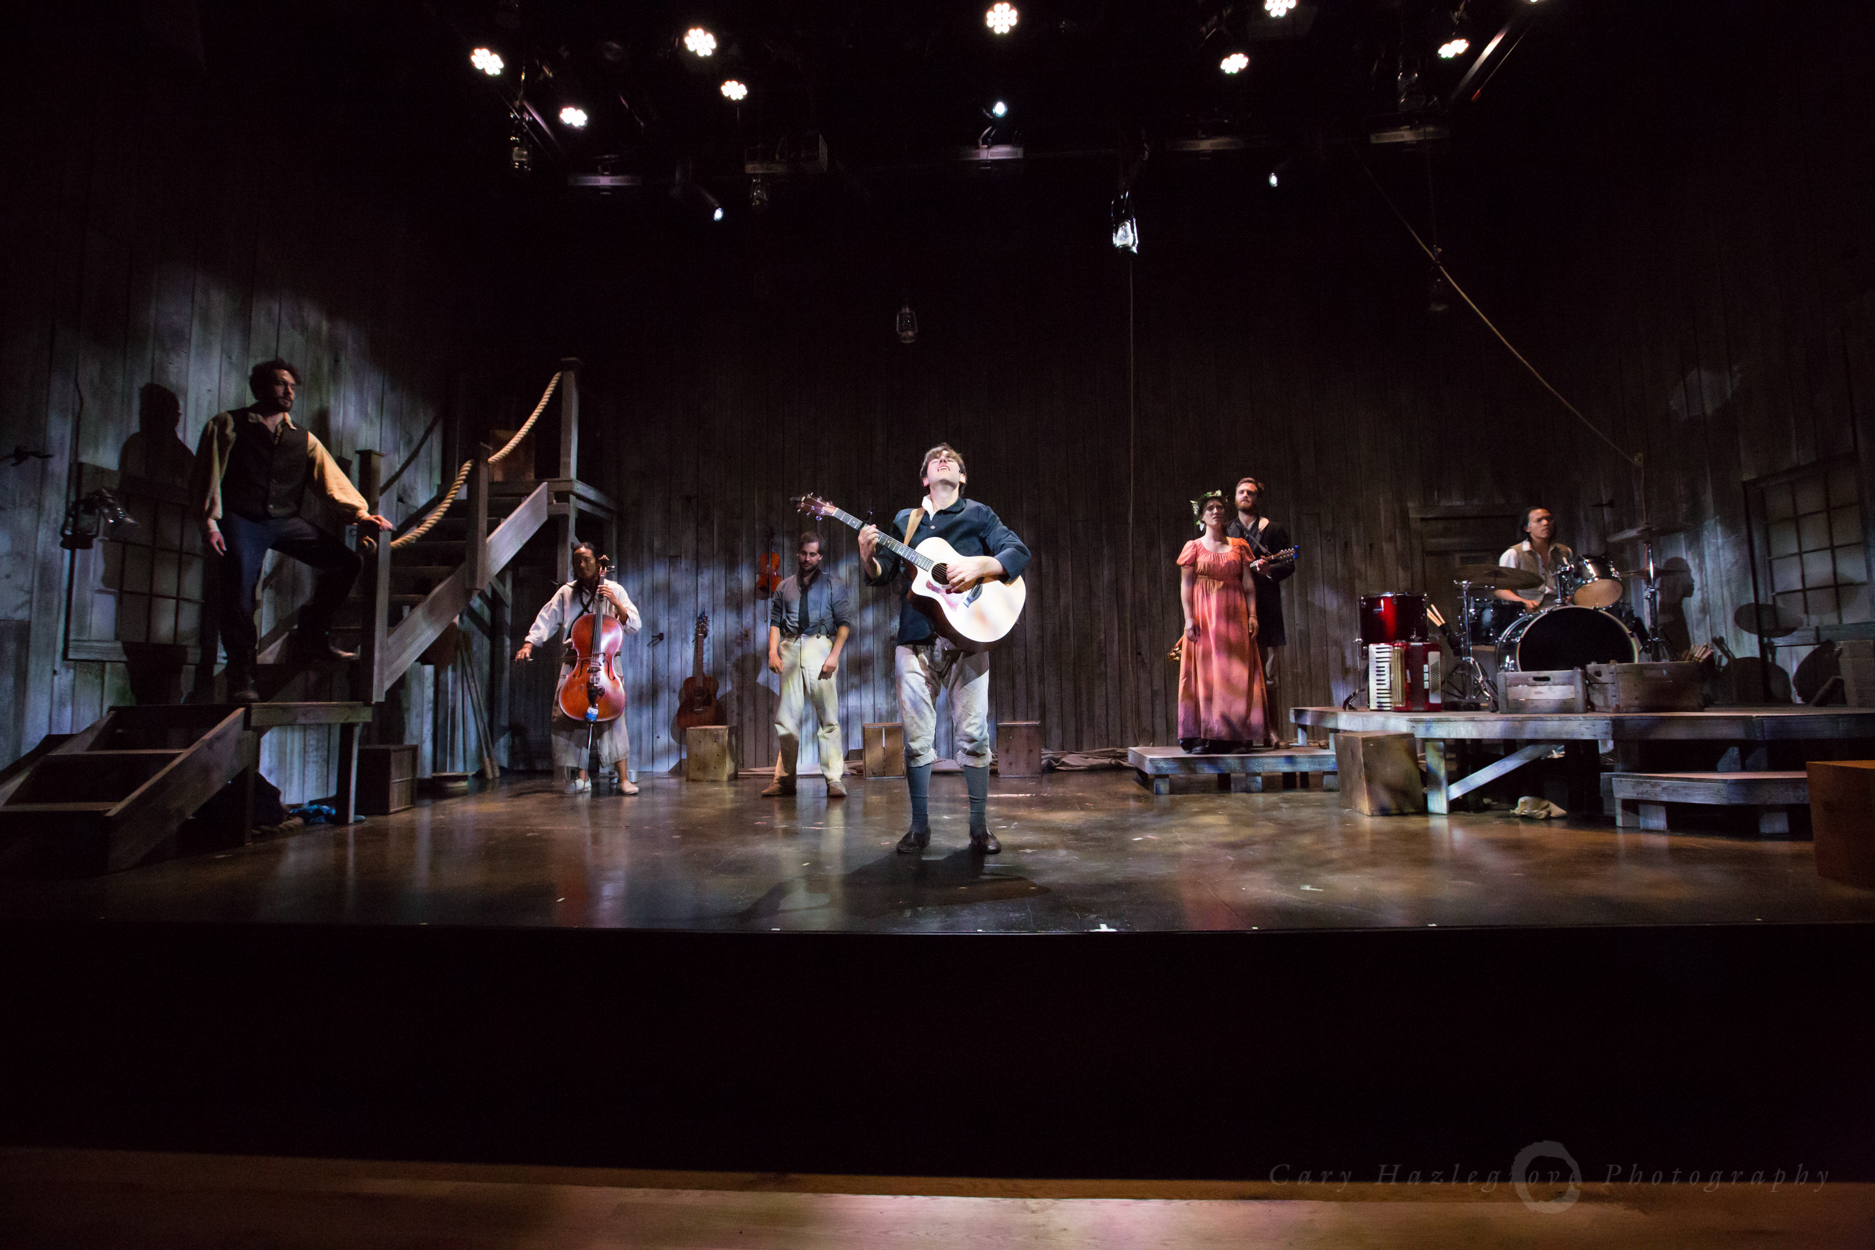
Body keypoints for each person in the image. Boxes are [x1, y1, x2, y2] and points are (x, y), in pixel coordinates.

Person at [858, 443, 1030, 855]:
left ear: (962, 476)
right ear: (925, 478)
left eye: (951, 458)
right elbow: (885, 576)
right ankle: (919, 828)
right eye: (935, 459)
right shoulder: (906, 521)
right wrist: (868, 558)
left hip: (969, 638)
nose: (942, 460)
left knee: (972, 735)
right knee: (917, 739)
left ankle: (978, 828)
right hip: (915, 636)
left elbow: (1017, 552)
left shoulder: (979, 514)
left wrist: (979, 566)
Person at [191, 359, 393, 704]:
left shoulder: (304, 439)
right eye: (280, 384)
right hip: (242, 518)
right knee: (240, 591)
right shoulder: (228, 424)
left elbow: (332, 482)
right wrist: (209, 522)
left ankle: (312, 634)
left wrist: (360, 514)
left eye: (292, 387)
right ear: (259, 388)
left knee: (345, 563)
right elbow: (208, 476)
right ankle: (242, 675)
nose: (288, 392)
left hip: (283, 519)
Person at [515, 541, 643, 795]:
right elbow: (546, 618)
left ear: (598, 562)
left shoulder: (614, 588)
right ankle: (580, 776)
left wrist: (616, 604)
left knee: (613, 717)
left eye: (585, 560)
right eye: (576, 561)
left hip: (607, 662)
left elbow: (634, 625)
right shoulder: (566, 592)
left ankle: (623, 778)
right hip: (575, 662)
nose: (581, 565)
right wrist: (529, 643)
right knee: (568, 715)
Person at [761, 531, 852, 798]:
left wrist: (834, 655)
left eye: (813, 554)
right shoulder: (783, 587)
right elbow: (775, 623)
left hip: (820, 646)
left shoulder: (833, 585)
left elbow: (844, 624)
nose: (808, 558)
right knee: (786, 719)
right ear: (798, 554)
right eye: (804, 553)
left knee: (828, 717)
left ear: (820, 556)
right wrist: (772, 652)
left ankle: (834, 779)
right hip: (790, 647)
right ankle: (784, 780)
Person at [1179, 492, 1267, 754]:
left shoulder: (1239, 546)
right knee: (1206, 674)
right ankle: (1203, 734)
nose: (1216, 511)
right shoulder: (1193, 547)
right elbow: (1185, 586)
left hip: (1234, 615)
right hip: (1205, 617)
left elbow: (1249, 585)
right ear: (1202, 516)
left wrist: (1252, 615)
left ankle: (1234, 735)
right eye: (1210, 508)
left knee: (1234, 674)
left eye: (1219, 507)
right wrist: (1188, 618)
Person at [1225, 476, 1292, 744]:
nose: (1245, 495)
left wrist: (1269, 569)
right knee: (1236, 673)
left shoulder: (1273, 529)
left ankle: (1271, 731)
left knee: (1269, 674)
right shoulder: (1227, 530)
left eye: (1250, 492)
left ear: (1257, 498)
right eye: (1241, 492)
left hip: (1267, 608)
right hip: (1234, 609)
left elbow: (1289, 564)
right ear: (1234, 498)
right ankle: (1239, 733)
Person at [1496, 506, 1576, 615]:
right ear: (1527, 528)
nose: (1546, 523)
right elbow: (1500, 589)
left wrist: (1571, 596)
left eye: (1549, 519)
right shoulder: (1513, 553)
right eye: (1539, 520)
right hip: (1531, 611)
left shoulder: (1564, 551)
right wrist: (1523, 602)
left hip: (1562, 608)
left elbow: (1573, 582)